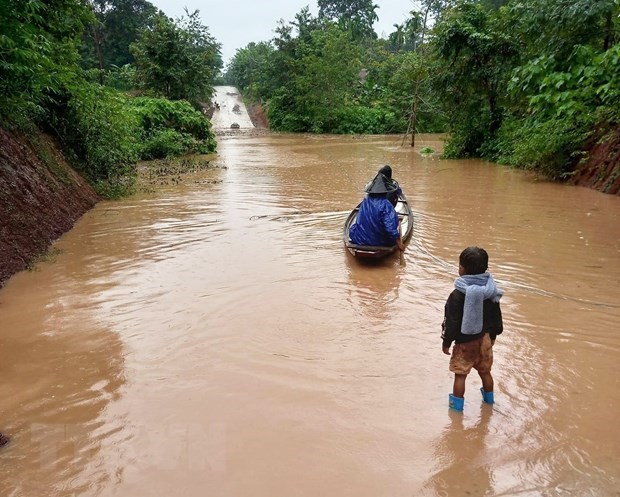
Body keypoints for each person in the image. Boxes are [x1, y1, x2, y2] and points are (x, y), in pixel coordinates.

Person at [441, 247, 504, 411]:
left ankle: (456, 411)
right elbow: (496, 315)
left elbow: (451, 321)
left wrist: (446, 341)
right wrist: (494, 335)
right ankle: (489, 403)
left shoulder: (457, 294)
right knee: (485, 372)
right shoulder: (490, 292)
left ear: (462, 269)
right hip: (485, 340)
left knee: (460, 375)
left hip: (464, 343)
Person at [349, 173, 404, 249]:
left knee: (352, 229)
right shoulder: (386, 205)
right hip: (380, 242)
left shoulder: (365, 202)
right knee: (391, 233)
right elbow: (390, 229)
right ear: (385, 191)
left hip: (360, 239)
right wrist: (399, 242)